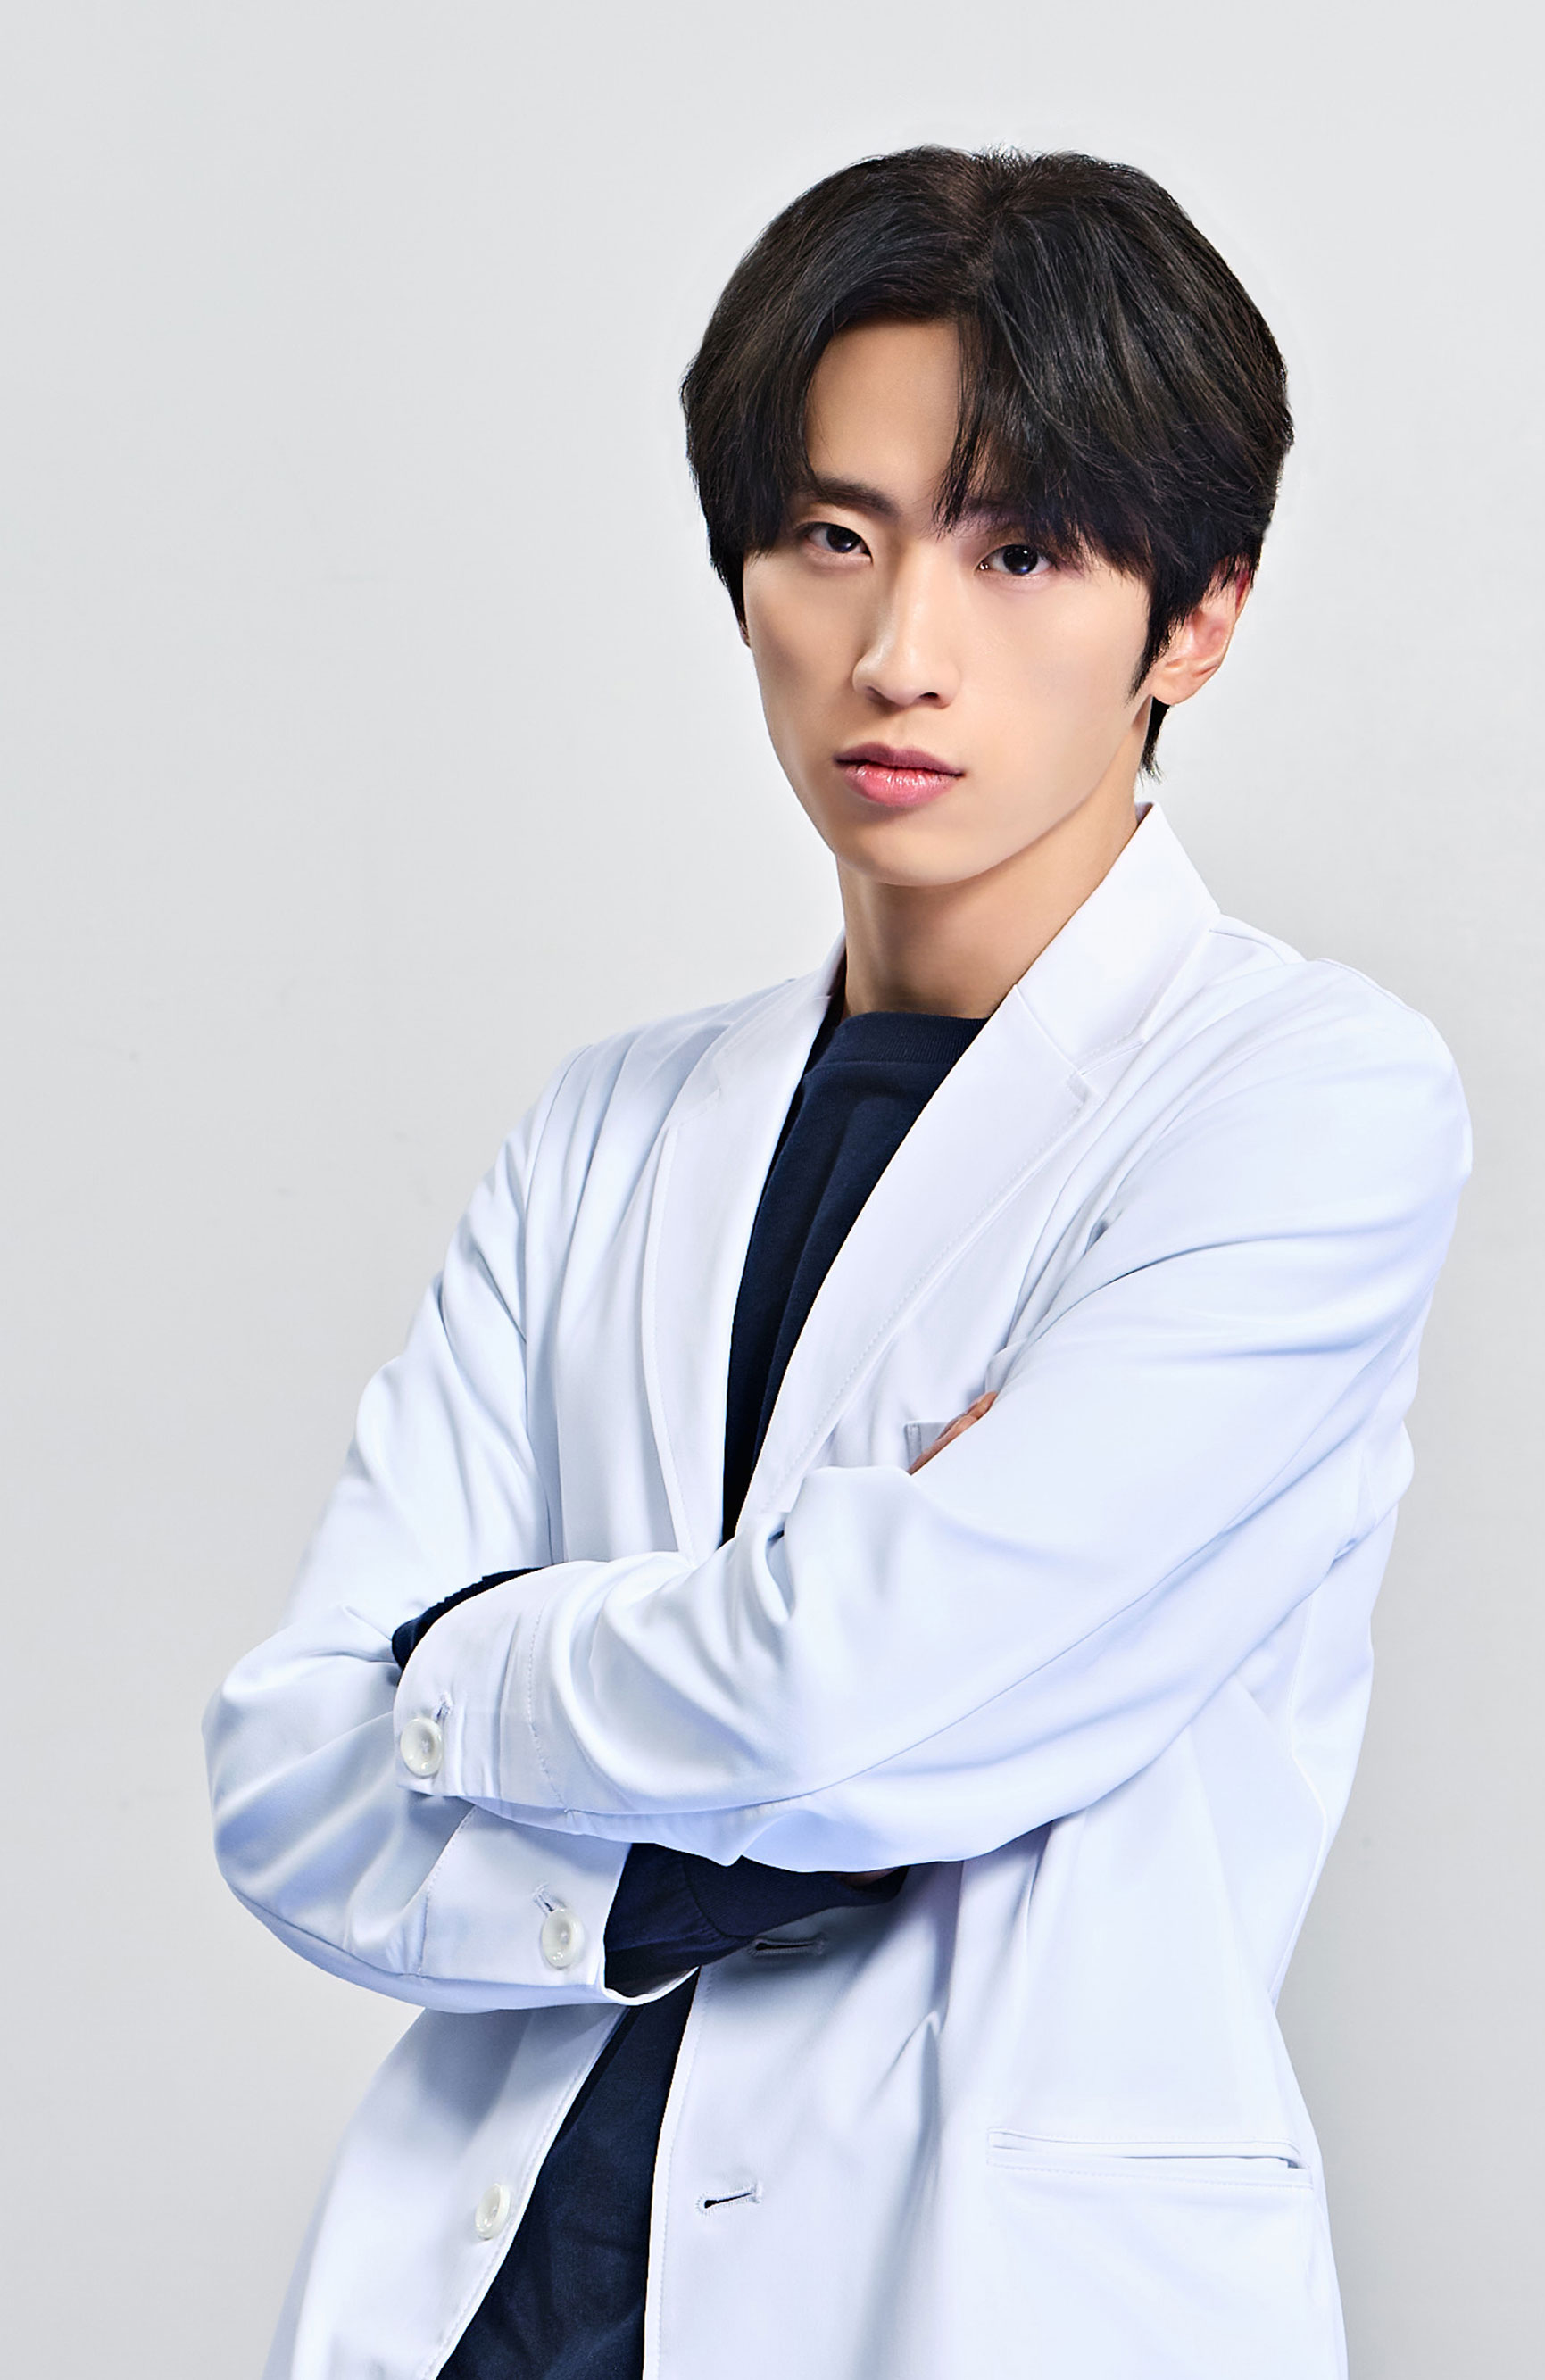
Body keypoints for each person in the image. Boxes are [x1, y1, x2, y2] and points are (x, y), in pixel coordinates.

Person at [205, 145, 1470, 2380]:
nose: (899, 653)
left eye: (1021, 549)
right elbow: (288, 1771)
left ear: (1196, 614)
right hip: (487, 2307)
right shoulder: (605, 1126)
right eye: (832, 536)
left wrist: (468, 1665)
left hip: (973, 2305)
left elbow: (863, 1685)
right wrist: (741, 1771)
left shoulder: (1304, 1104)